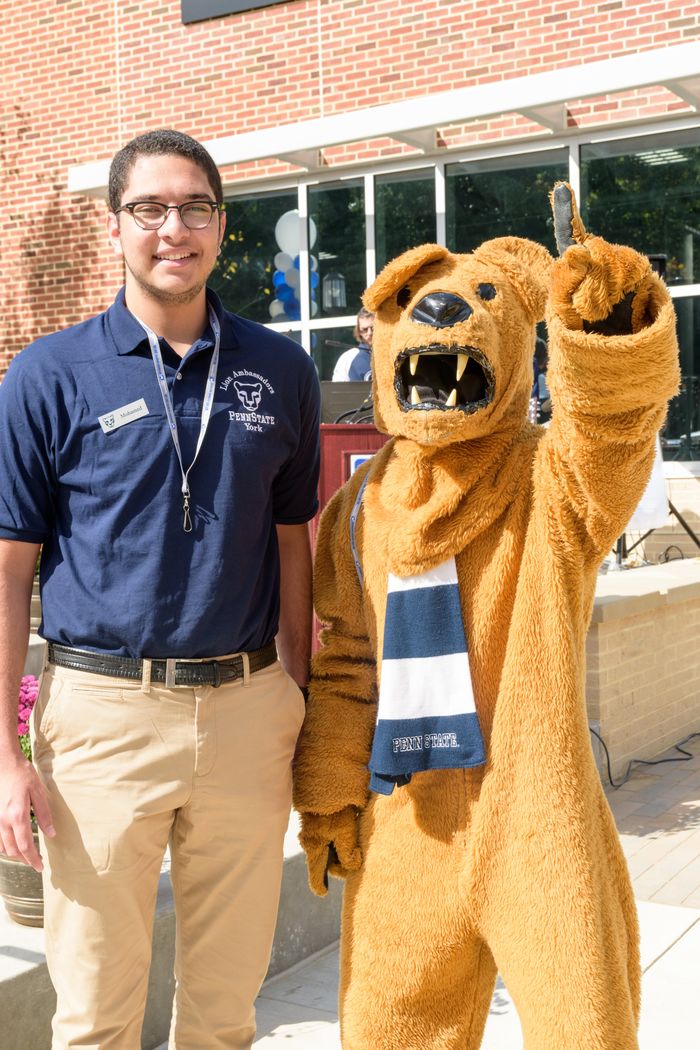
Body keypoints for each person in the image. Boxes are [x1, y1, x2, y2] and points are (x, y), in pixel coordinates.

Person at [0, 129, 320, 1049]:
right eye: (150, 208)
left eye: (195, 207)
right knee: (95, 1011)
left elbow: (293, 544)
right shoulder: (49, 374)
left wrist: (298, 700)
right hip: (103, 717)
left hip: (250, 712)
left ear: (223, 227)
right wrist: (7, 755)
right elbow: (10, 570)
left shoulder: (281, 369)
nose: (172, 228)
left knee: (225, 1013)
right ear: (115, 228)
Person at [331, 307, 374, 381]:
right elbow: (337, 390)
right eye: (365, 329)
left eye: (373, 328)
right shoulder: (347, 358)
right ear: (359, 331)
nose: (369, 333)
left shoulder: (392, 354)